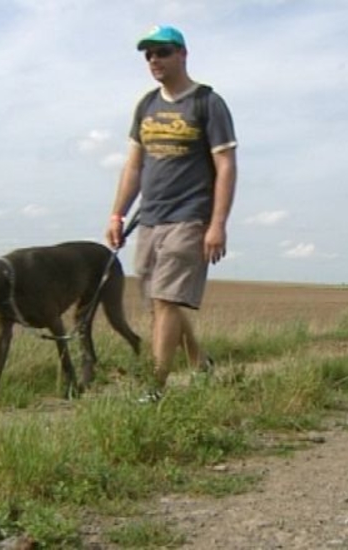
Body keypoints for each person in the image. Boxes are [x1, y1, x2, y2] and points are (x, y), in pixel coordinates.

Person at [106, 25, 238, 402]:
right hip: (149, 220)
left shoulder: (207, 103)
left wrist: (217, 224)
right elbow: (134, 166)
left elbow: (226, 165)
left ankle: (154, 388)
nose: (154, 60)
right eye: (148, 55)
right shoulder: (147, 105)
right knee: (160, 303)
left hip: (190, 217)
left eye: (161, 52)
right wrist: (117, 215)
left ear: (182, 54)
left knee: (166, 301)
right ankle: (199, 363)